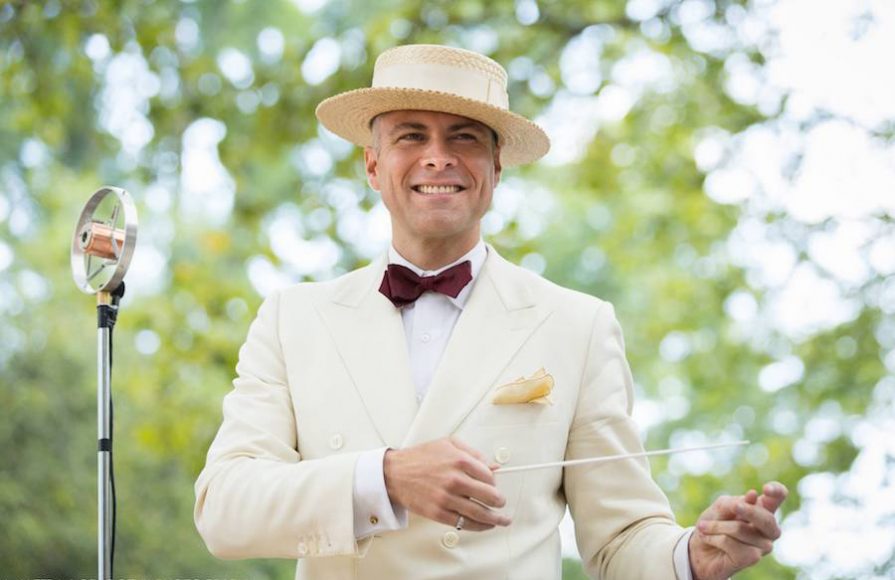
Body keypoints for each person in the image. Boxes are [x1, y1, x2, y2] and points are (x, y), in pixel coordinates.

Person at [194, 44, 787, 580]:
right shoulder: (293, 318)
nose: (437, 158)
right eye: (410, 137)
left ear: (496, 169)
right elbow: (224, 508)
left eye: (464, 137)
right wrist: (388, 478)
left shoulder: (576, 326)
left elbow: (619, 540)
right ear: (372, 166)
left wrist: (692, 558)